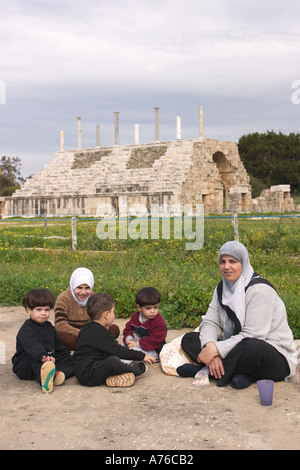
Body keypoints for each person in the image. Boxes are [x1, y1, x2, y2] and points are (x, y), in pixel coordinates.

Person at [179, 241, 297, 389]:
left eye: (232, 261)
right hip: (236, 345)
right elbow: (210, 322)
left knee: (251, 347)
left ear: (244, 263)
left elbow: (254, 334)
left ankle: (206, 371)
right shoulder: (222, 288)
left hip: (273, 354)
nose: (226, 266)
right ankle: (241, 375)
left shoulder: (259, 290)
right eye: (222, 262)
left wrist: (217, 350)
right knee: (190, 338)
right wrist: (210, 347)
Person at [73, 293, 156, 387]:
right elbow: (119, 351)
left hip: (81, 371)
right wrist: (142, 356)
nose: (114, 314)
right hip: (89, 375)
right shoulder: (101, 333)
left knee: (110, 358)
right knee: (113, 361)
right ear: (106, 314)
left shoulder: (86, 329)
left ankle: (113, 378)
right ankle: (135, 371)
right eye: (113, 311)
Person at [12, 289, 74, 394]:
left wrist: (66, 356)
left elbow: (58, 346)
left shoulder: (49, 327)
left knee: (73, 361)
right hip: (27, 365)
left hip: (49, 360)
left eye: (46, 310)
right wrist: (43, 356)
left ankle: (55, 374)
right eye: (39, 310)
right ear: (29, 310)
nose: (43, 313)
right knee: (36, 361)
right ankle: (44, 380)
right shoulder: (27, 328)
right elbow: (33, 346)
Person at [54, 267, 119, 350]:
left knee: (114, 329)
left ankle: (92, 345)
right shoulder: (64, 298)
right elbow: (60, 325)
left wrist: (96, 333)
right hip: (73, 334)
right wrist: (82, 334)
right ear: (73, 285)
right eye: (79, 288)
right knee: (62, 336)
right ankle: (96, 346)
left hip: (90, 333)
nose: (83, 292)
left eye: (87, 288)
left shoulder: (93, 297)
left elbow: (100, 319)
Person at [123, 287, 167, 361]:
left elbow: (155, 340)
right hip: (136, 344)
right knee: (121, 347)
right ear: (139, 307)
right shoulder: (135, 316)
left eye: (155, 307)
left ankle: (128, 364)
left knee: (132, 353)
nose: (152, 311)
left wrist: (137, 344)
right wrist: (129, 340)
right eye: (148, 308)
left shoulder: (159, 322)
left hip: (153, 350)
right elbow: (128, 329)